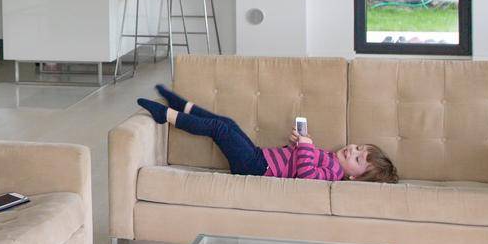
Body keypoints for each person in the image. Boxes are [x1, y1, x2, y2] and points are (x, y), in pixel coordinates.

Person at [136, 84, 398, 183]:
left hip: (256, 168)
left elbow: (306, 176)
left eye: (358, 159)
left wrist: (306, 148)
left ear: (354, 177)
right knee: (227, 123)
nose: (352, 150)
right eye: (359, 147)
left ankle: (166, 115)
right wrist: (298, 145)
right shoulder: (330, 158)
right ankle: (184, 107)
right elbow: (298, 163)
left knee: (220, 129)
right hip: (258, 157)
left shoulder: (332, 175)